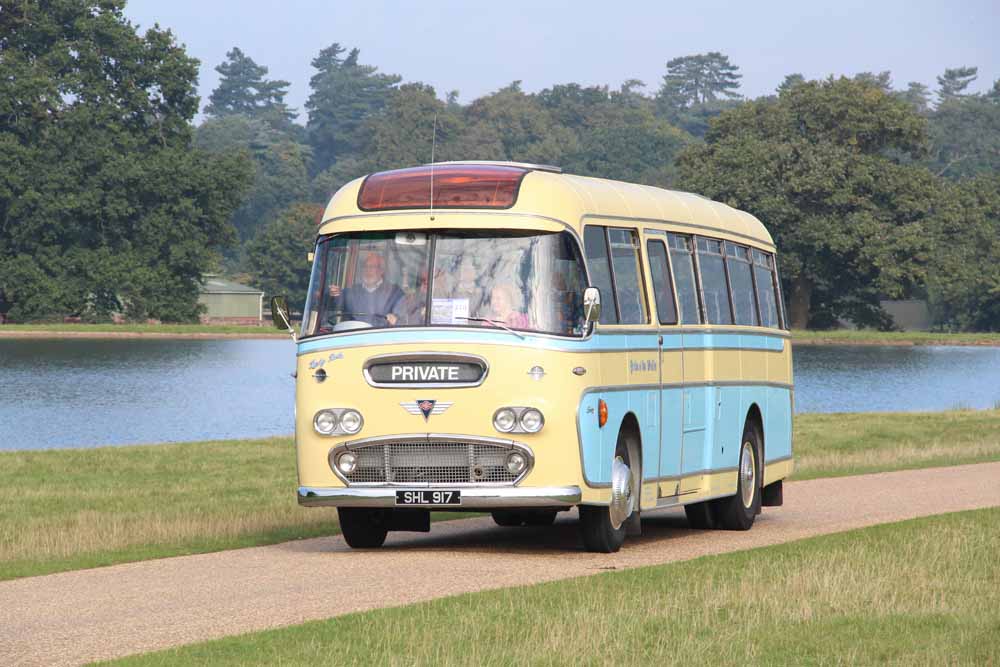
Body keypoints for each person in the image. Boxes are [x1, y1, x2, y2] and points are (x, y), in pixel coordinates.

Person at [328, 252, 404, 326]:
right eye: (365, 266)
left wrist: (396, 320)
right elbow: (334, 304)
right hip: (354, 335)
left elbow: (403, 319)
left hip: (382, 336)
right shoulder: (352, 292)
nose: (368, 270)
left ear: (381, 270)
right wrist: (333, 295)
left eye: (372, 267)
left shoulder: (394, 293)